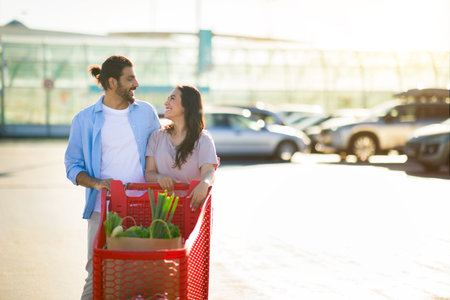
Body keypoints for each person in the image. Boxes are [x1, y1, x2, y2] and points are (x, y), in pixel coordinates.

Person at [64, 55, 160, 300]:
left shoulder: (146, 112)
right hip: (102, 210)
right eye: (130, 79)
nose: (136, 83)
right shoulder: (84, 119)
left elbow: (162, 150)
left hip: (144, 209)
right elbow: (72, 165)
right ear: (112, 82)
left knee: (143, 275)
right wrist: (97, 183)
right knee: (96, 273)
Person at [145, 85, 218, 210]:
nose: (165, 103)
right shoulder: (156, 137)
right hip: (160, 209)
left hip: (191, 208)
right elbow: (149, 173)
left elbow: (209, 171)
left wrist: (204, 183)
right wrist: (159, 178)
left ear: (187, 105)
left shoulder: (203, 139)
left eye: (172, 98)